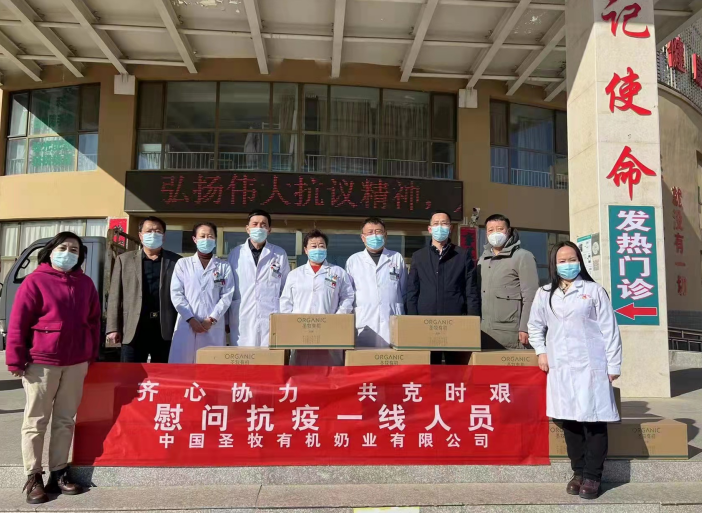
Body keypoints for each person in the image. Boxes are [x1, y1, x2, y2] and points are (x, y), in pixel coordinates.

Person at [6, 232, 101, 504]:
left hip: (75, 363)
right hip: (41, 362)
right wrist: (15, 359)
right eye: (63, 247)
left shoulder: (85, 283)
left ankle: (58, 472)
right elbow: (18, 322)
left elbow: (94, 321)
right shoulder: (34, 281)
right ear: (50, 251)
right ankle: (33, 476)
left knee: (65, 420)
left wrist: (90, 353)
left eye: (74, 250)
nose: (68, 253)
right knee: (36, 420)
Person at [528, 241, 622, 500]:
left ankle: (593, 476)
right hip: (560, 367)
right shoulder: (545, 293)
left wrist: (613, 364)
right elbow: (535, 326)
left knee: (594, 421)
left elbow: (610, 329)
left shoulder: (593, 291)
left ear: (580, 261)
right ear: (554, 264)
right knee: (569, 421)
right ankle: (578, 472)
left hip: (591, 365)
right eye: (562, 261)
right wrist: (541, 351)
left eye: (572, 259)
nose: (568, 264)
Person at [406, 210, 480, 364]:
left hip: (455, 322)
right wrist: (413, 321)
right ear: (429, 229)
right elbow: (412, 291)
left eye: (444, 223)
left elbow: (471, 291)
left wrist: (472, 321)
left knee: (456, 369)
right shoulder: (419, 256)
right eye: (436, 224)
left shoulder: (462, 255)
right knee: (429, 368)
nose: (440, 227)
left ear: (450, 228)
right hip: (426, 323)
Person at [107, 216, 181, 363]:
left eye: (157, 231)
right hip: (134, 328)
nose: (153, 234)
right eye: (149, 231)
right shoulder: (124, 260)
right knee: (130, 373)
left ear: (164, 236)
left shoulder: (176, 261)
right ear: (140, 235)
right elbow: (115, 295)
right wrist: (113, 328)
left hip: (165, 329)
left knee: (164, 374)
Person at [280, 229, 354, 366]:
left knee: (329, 370)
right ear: (305, 250)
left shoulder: (338, 272)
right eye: (313, 246)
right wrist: (292, 324)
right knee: (301, 371)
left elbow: (347, 297)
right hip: (300, 331)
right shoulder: (295, 274)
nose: (318, 249)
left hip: (330, 330)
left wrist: (337, 318)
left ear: (326, 249)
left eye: (321, 246)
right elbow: (286, 302)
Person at [169, 223, 235, 364]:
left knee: (210, 367)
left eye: (210, 236)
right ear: (195, 239)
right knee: (183, 365)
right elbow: (176, 294)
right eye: (202, 236)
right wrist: (190, 319)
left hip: (212, 326)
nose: (206, 239)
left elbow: (227, 295)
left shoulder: (224, 266)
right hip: (187, 324)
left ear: (215, 239)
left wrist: (212, 318)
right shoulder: (183, 264)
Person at [227, 210, 290, 347]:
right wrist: (226, 320)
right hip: (242, 316)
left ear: (269, 230)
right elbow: (228, 289)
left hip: (271, 316)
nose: (259, 228)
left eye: (263, 225)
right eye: (255, 224)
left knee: (269, 357)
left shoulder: (279, 254)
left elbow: (286, 289)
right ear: (247, 229)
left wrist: (284, 318)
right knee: (243, 357)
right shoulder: (235, 254)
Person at [478, 214, 539, 350]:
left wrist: (525, 327)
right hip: (485, 334)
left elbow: (531, 296)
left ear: (509, 231)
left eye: (500, 229)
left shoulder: (523, 257)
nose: (495, 233)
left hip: (512, 335)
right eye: (490, 230)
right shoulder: (483, 260)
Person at [346, 217, 407, 348]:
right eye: (370, 232)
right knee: (365, 358)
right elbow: (348, 294)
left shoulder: (396, 258)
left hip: (392, 320)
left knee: (392, 359)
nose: (374, 235)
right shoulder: (353, 261)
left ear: (385, 235)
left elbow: (404, 289)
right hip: (364, 322)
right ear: (363, 237)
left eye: (378, 232)